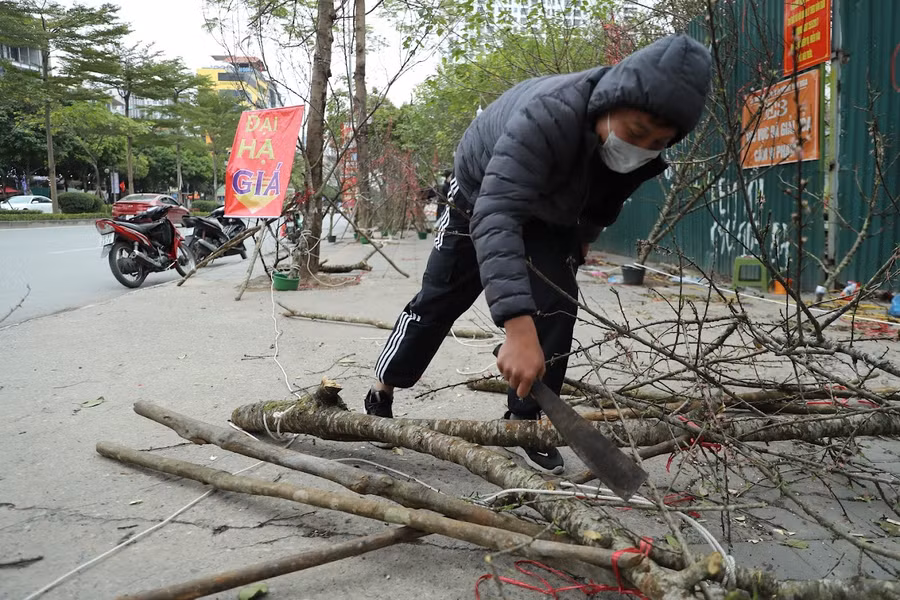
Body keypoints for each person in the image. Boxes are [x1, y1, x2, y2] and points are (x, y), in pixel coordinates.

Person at [363, 34, 712, 474]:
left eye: (658, 142)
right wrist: (516, 328)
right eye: (636, 132)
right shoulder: (550, 114)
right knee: (440, 298)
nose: (641, 147)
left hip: (552, 213)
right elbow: (497, 213)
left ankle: (523, 422)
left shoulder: (641, 153)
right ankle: (383, 386)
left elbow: (608, 195)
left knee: (558, 308)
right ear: (608, 102)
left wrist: (583, 236)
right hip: (479, 195)